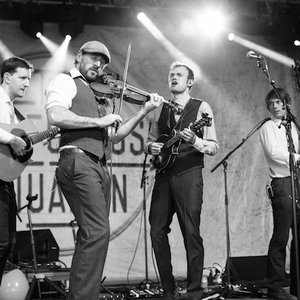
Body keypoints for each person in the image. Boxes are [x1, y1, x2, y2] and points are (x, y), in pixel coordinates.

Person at [44, 40, 164, 300]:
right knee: (97, 231)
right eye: (94, 57)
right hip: (77, 161)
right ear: (79, 56)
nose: (98, 64)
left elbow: (115, 137)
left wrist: (144, 110)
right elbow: (55, 115)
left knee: (93, 234)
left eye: (103, 61)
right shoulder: (65, 81)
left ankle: (83, 294)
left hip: (98, 165)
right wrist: (99, 120)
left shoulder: (98, 95)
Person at [144, 61, 218, 300]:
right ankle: (168, 290)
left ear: (189, 82)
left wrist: (195, 140)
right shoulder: (160, 108)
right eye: (171, 75)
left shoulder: (201, 107)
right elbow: (150, 141)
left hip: (189, 174)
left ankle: (195, 291)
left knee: (190, 232)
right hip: (163, 175)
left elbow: (214, 147)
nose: (173, 77)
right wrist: (151, 147)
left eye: (179, 75)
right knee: (156, 230)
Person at [259, 88, 300, 300]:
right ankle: (274, 287)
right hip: (281, 183)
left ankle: (296, 285)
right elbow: (274, 153)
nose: (275, 106)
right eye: (272, 103)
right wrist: (296, 157)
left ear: (287, 103)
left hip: (297, 181)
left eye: (279, 102)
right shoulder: (267, 127)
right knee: (281, 236)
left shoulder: (292, 125)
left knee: (298, 238)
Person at [0, 56, 33, 285]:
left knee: (9, 242)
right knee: (2, 242)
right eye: (23, 77)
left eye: (29, 79)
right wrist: (13, 139)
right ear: (7, 77)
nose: (27, 83)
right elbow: (10, 139)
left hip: (4, 179)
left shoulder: (12, 109)